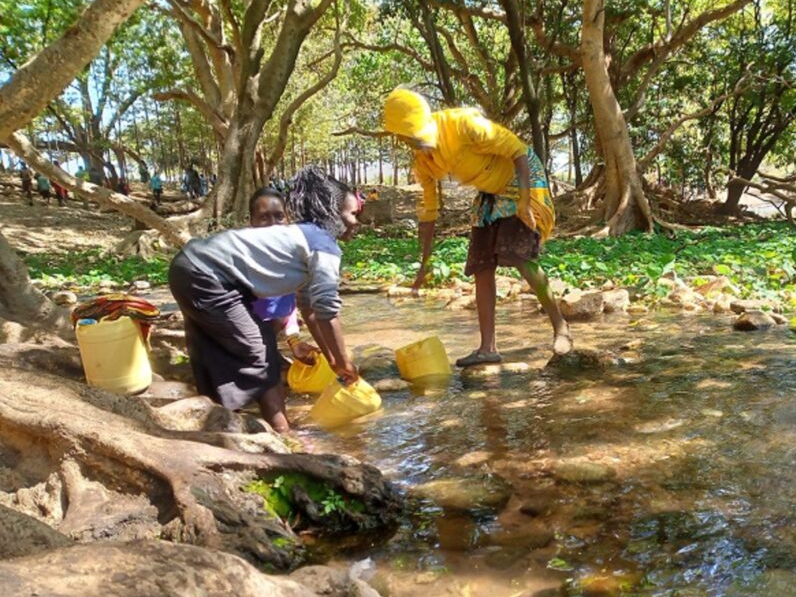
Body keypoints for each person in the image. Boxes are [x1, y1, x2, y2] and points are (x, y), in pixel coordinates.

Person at [382, 88, 572, 366]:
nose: (415, 142)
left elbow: (518, 151)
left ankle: (561, 327)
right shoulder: (422, 162)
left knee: (520, 256)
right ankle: (488, 349)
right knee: (481, 264)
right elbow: (429, 211)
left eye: (416, 135)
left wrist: (523, 203)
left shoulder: (465, 125)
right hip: (489, 189)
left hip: (522, 177)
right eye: (407, 138)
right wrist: (424, 262)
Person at [168, 167, 361, 432]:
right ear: (332, 213)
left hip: (190, 266)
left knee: (209, 347)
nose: (356, 221)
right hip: (206, 274)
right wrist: (343, 362)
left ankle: (217, 422)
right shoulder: (323, 244)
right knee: (262, 352)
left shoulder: (303, 237)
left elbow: (310, 309)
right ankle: (283, 432)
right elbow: (327, 309)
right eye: (352, 214)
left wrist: (333, 360)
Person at [247, 186, 322, 367]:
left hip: (263, 337)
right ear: (251, 221)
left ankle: (268, 352)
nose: (273, 223)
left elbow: (290, 308)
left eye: (279, 216)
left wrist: (294, 341)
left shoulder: (293, 255)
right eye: (264, 217)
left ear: (288, 219)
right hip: (238, 338)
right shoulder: (245, 258)